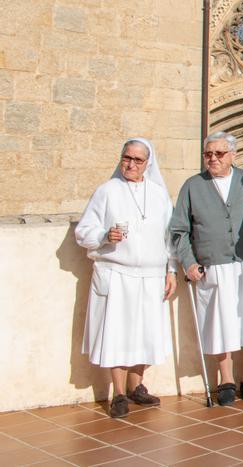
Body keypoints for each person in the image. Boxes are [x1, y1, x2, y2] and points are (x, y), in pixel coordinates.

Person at [170, 131, 243, 406]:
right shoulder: (193, 186)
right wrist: (188, 262)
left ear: (233, 155)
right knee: (220, 323)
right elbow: (179, 230)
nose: (212, 159)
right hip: (213, 264)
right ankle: (226, 379)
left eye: (219, 154)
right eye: (208, 154)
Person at [76, 138, 177, 418]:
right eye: (126, 158)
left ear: (148, 163)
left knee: (145, 333)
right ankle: (118, 393)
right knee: (117, 334)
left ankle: (137, 386)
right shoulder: (107, 191)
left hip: (151, 275)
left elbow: (170, 237)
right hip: (116, 273)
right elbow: (83, 231)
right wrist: (104, 236)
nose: (131, 164)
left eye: (137, 160)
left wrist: (171, 270)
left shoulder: (158, 194)